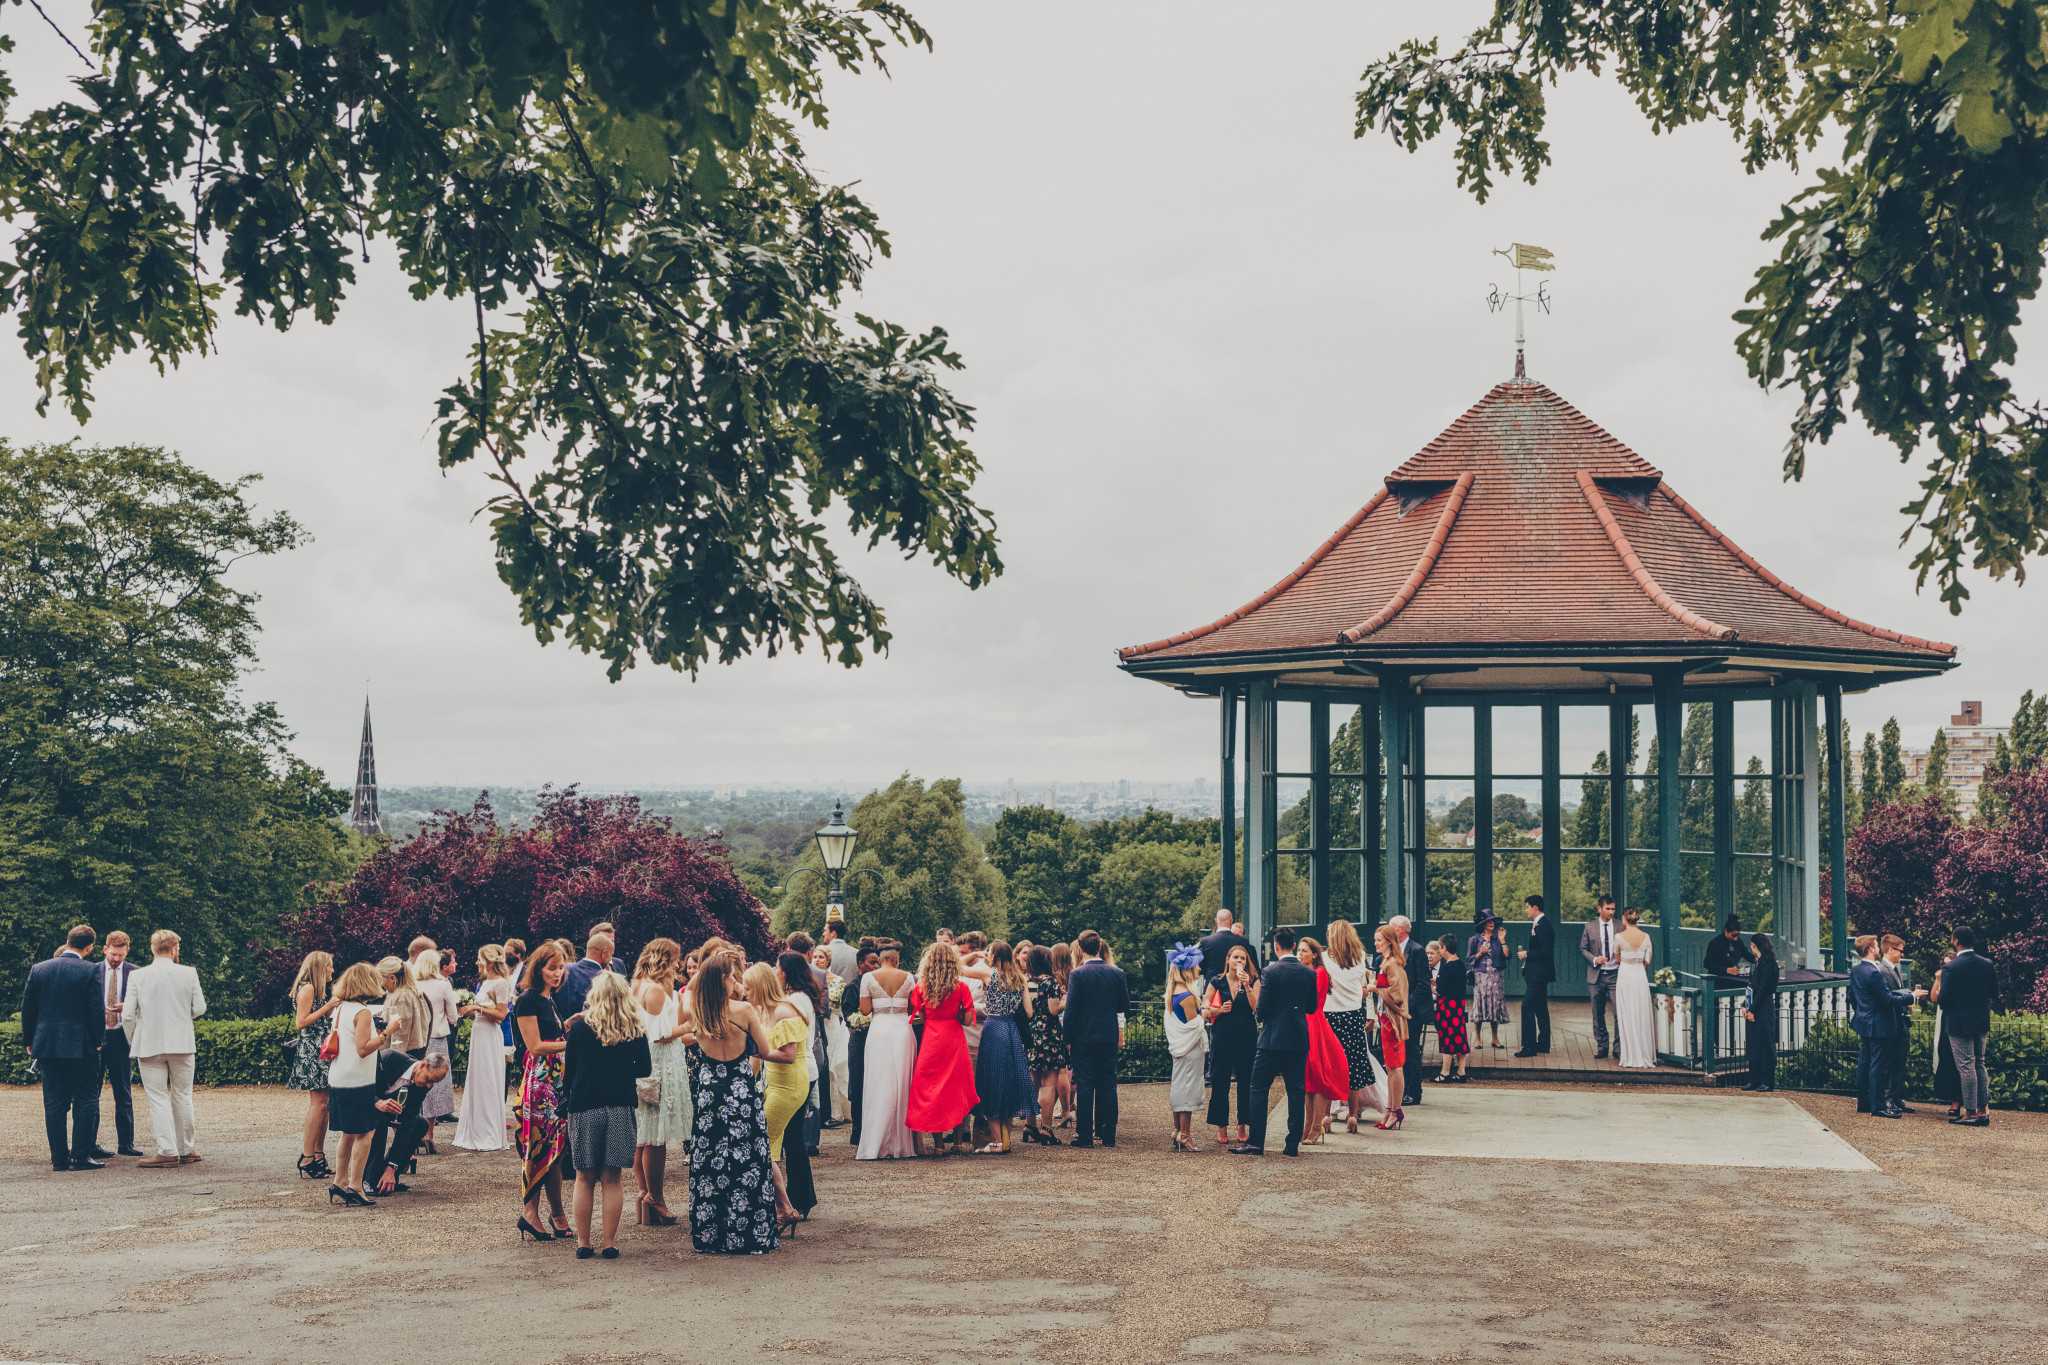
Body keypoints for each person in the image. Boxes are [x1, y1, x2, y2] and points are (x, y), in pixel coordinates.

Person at [687, 955, 795, 1254]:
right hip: (739, 1088)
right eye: (731, 977)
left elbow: (691, 993)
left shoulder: (699, 1012)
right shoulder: (744, 1010)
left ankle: (711, 1234)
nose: (736, 982)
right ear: (722, 981)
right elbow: (763, 1050)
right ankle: (747, 1231)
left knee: (710, 1157)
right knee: (747, 1156)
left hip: (709, 1089)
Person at [562, 972, 651, 1259]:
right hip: (619, 1106)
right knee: (612, 1177)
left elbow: (570, 1071)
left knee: (584, 1177)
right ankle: (609, 1243)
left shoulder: (579, 1029)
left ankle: (583, 1242)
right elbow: (644, 1069)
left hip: (585, 1105)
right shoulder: (633, 1028)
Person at [20, 924, 105, 1172]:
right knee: (86, 1099)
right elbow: (95, 1010)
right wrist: (98, 1040)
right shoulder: (90, 970)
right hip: (82, 1046)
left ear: (67, 940)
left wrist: (29, 1041)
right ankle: (80, 1157)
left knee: (54, 1103)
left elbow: (29, 1009)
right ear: (89, 947)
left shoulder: (39, 969)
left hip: (47, 1044)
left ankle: (58, 1158)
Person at [121, 930, 208, 1168]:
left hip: (149, 1043)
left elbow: (127, 1015)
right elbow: (200, 1008)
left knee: (157, 1097)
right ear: (175, 949)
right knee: (183, 1095)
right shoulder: (189, 973)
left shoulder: (138, 976)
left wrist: (133, 1039)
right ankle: (187, 1149)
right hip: (182, 1042)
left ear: (152, 948)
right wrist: (181, 1016)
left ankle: (167, 1150)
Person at [1234, 925, 1314, 1156]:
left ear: (1277, 946)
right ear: (1293, 945)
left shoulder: (1270, 971)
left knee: (1258, 1088)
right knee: (1296, 1091)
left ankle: (1256, 1141)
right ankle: (1291, 1144)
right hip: (1298, 1038)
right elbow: (1311, 1006)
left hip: (1271, 1039)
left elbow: (1261, 1010)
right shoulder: (1308, 973)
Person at [512, 941, 574, 1240]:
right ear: (538, 969)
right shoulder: (529, 1000)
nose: (558, 973)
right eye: (552, 968)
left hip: (555, 1081)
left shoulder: (549, 999)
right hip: (539, 1083)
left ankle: (549, 1212)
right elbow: (535, 1046)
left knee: (554, 1151)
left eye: (561, 967)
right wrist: (570, 1043)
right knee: (538, 1149)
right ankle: (533, 1212)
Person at [628, 937, 692, 1224]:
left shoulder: (642, 984)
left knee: (646, 1135)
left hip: (657, 1062)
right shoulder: (652, 989)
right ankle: (654, 1197)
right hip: (657, 1065)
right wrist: (691, 1025)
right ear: (664, 959)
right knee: (655, 1138)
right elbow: (660, 1033)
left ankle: (645, 1195)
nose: (678, 964)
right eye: (676, 958)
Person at [324, 962, 390, 1206]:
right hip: (358, 1079)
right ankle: (355, 1184)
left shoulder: (340, 1009)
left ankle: (339, 1182)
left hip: (339, 1076)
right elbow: (363, 1049)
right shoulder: (362, 1012)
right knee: (365, 1133)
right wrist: (385, 1034)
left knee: (348, 1134)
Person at [907, 940, 980, 1154]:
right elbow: (967, 1019)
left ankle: (938, 1144)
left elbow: (919, 1015)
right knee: (957, 1087)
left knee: (931, 1088)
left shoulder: (921, 988)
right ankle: (958, 1141)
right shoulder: (961, 987)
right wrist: (954, 1014)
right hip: (954, 1039)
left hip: (932, 1040)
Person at [1061, 929, 1129, 1149]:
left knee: (1085, 1084)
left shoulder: (1077, 975)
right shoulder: (1117, 973)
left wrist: (1067, 1038)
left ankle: (1085, 1135)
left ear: (1080, 949)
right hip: (1108, 1035)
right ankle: (1108, 1135)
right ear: (1100, 946)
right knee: (1108, 1083)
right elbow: (1123, 1005)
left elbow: (1070, 1011)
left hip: (1084, 1037)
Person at [974, 941, 1038, 1154]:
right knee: (1009, 1080)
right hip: (1011, 1030)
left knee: (991, 1080)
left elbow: (959, 966)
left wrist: (976, 953)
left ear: (994, 955)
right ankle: (1006, 1138)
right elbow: (1029, 1012)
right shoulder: (1020, 979)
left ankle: (998, 1141)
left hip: (993, 1029)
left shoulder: (988, 974)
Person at [1848, 935, 1922, 1118]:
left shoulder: (1856, 970)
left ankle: (1864, 1102)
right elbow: (1887, 1000)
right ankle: (1878, 1106)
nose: (1878, 948)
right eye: (1875, 945)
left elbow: (1852, 998)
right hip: (1878, 1024)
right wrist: (1912, 996)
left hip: (1864, 1021)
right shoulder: (1873, 972)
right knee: (1877, 1066)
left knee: (1865, 1063)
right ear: (1871, 949)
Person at [856, 940, 917, 1159]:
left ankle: (876, 1141)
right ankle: (901, 1142)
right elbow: (912, 1007)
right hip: (902, 1029)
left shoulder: (868, 978)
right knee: (902, 1082)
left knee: (878, 1082)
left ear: (881, 960)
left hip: (879, 1029)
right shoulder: (909, 977)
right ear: (895, 959)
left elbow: (864, 1010)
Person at [773, 951, 822, 1217]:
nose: (775, 972)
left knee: (792, 1138)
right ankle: (798, 1197)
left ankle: (799, 1198)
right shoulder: (801, 998)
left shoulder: (793, 1001)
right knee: (792, 1138)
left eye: (778, 968)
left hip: (799, 1070)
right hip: (805, 1068)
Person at [454, 944, 516, 1152]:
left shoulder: (500, 983)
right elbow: (485, 1012)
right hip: (479, 1033)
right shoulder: (485, 982)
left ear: (489, 961)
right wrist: (469, 1011)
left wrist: (476, 1007)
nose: (477, 962)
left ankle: (488, 1133)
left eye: (480, 959)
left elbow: (501, 1015)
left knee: (488, 1080)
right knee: (478, 1080)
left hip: (490, 1036)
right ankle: (475, 1130)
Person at [1936, 926, 1998, 1127]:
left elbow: (1943, 1001)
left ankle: (1970, 1111)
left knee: (1966, 1066)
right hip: (1980, 1021)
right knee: (1979, 1063)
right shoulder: (1987, 964)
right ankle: (1982, 1110)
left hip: (1959, 1022)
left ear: (1956, 941)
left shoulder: (1951, 968)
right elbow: (1994, 994)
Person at [286, 951, 339, 1178]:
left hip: (321, 1050)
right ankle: (308, 1156)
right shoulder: (307, 989)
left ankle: (318, 1154)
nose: (332, 971)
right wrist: (328, 1008)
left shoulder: (317, 991)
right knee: (318, 1103)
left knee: (324, 1104)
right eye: (329, 966)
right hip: (312, 1051)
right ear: (319, 968)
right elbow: (301, 1022)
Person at [1320, 921, 1376, 1133]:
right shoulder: (1360, 957)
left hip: (1330, 1016)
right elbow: (1363, 987)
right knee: (1353, 1067)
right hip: (1353, 1015)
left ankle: (1326, 1115)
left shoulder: (1324, 959)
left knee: (1330, 1066)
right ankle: (1353, 1114)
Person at [1205, 944, 1259, 1147]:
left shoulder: (1253, 980)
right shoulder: (1217, 981)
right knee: (1220, 1082)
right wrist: (1218, 1011)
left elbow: (1257, 1008)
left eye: (1243, 958)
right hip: (1223, 1037)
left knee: (1246, 1082)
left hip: (1246, 1037)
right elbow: (1204, 1009)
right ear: (1228, 959)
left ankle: (1243, 1126)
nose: (1239, 961)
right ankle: (1221, 1127)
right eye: (1235, 957)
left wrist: (1247, 986)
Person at [92, 931, 140, 1160]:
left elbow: (145, 1005)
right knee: (92, 1092)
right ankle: (90, 1143)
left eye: (120, 955)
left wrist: (128, 1007)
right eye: (113, 954)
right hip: (96, 1037)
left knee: (123, 1091)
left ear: (127, 951)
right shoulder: (92, 971)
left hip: (121, 1037)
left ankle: (126, 1144)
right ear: (105, 949)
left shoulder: (136, 973)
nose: (116, 959)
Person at [1297, 937, 1348, 1144]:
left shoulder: (1319, 973)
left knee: (1318, 1077)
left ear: (1315, 954)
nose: (1300, 954)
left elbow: (1309, 1000)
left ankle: (1316, 1126)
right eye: (1299, 951)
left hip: (1314, 1024)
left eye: (1305, 951)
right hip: (1304, 1023)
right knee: (1308, 1081)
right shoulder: (1305, 972)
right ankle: (1308, 1126)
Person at [1158, 945, 1208, 1153]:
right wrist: (1205, 1012)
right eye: (1196, 966)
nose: (1199, 969)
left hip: (1180, 1048)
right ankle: (1185, 1134)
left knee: (1179, 1086)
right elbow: (1194, 1024)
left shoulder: (1173, 992)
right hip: (1190, 1048)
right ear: (1188, 969)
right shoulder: (1187, 995)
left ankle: (1177, 1131)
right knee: (1188, 1089)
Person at [1019, 945, 1067, 1146]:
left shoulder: (1025, 982)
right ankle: (1046, 1128)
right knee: (1048, 1083)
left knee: (1033, 1082)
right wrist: (1066, 999)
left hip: (1030, 1036)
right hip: (1048, 1035)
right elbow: (1054, 1010)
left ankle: (1030, 1125)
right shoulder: (1051, 983)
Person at [413, 949, 460, 1141]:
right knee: (434, 1084)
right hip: (437, 1038)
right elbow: (453, 1016)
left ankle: (414, 1130)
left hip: (417, 1039)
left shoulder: (413, 984)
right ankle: (429, 1134)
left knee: (417, 1081)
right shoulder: (443, 985)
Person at [1369, 924, 1410, 1132]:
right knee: (1391, 1066)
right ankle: (1391, 1108)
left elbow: (1398, 996)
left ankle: (1395, 1110)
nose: (1376, 943)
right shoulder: (1386, 962)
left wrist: (1374, 987)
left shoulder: (1392, 964)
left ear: (1389, 941)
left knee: (1395, 1066)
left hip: (1392, 1021)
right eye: (1375, 940)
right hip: (1385, 1018)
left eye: (1379, 940)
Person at [1390, 915, 1431, 1104]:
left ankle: (1414, 1092)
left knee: (1411, 1050)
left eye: (1392, 928)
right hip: (1395, 1008)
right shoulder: (1391, 950)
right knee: (1398, 1051)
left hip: (1412, 1011)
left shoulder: (1417, 950)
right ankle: (1401, 1090)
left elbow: (1423, 984)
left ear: (1402, 930)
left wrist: (1406, 1006)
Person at [843, 940, 880, 1147]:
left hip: (878, 1041)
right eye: (872, 962)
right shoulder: (852, 987)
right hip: (859, 1041)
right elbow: (849, 1016)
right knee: (858, 1085)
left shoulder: (878, 985)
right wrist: (864, 1020)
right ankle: (857, 1131)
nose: (875, 966)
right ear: (860, 964)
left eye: (877, 963)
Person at [1614, 908, 1657, 1069]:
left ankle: (1629, 1055)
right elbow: (1647, 961)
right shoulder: (1646, 937)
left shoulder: (1618, 937)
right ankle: (1643, 1053)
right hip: (1639, 976)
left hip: (1625, 975)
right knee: (1641, 1013)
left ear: (1624, 920)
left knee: (1627, 1013)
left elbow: (1617, 958)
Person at [1581, 894, 1622, 1060]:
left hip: (1615, 975)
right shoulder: (1589, 927)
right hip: (1596, 976)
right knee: (1597, 1013)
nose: (1611, 912)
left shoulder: (1620, 926)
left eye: (1613, 909)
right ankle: (1602, 1046)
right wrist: (1594, 959)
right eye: (1608, 908)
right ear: (1599, 909)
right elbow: (1582, 948)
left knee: (1619, 1013)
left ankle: (1618, 1048)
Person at [1879, 935, 1916, 1114]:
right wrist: (1909, 998)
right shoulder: (1882, 970)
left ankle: (1896, 1097)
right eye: (1900, 950)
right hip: (1891, 1022)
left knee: (1900, 1061)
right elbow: (1888, 997)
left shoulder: (1894, 969)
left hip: (1900, 1021)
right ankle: (1888, 1099)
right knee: (1890, 1061)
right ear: (1890, 949)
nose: (1902, 954)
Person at [1514, 894, 1555, 1057]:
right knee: (1540, 1007)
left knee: (1527, 1006)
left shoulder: (1543, 925)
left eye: (1527, 907)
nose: (1526, 910)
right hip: (1537, 974)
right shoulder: (1539, 924)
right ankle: (1543, 1043)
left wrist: (1526, 954)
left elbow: (1545, 952)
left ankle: (1529, 1047)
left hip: (1539, 974)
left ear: (1535, 907)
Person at [815, 944, 851, 1124]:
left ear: (828, 960)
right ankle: (826, 1110)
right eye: (814, 957)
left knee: (836, 1065)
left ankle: (840, 1111)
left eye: (821, 957)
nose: (817, 960)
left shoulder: (837, 980)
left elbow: (836, 1001)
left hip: (833, 1024)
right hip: (818, 1024)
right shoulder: (810, 979)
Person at [1740, 933, 1780, 1092]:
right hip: (1754, 1005)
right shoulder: (1757, 963)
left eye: (1752, 946)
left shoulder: (1769, 963)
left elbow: (1764, 989)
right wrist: (1745, 1005)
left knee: (1765, 1043)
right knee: (1753, 1044)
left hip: (1763, 1007)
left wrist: (1752, 1009)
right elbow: (1752, 986)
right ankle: (1754, 1079)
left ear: (1756, 946)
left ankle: (1767, 1080)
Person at [1466, 913, 1509, 1048]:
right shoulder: (1474, 940)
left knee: (1494, 1005)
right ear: (1483, 924)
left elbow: (1507, 955)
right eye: (1488, 921)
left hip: (1496, 975)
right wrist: (1481, 952)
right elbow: (1469, 960)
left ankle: (1495, 1038)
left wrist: (1502, 940)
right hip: (1481, 975)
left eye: (1493, 921)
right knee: (1480, 1005)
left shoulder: (1497, 939)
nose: (1491, 923)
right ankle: (1477, 1038)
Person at [1432, 936, 1471, 1082]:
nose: (1439, 950)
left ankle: (1445, 1072)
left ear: (1444, 948)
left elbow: (1441, 990)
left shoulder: (1447, 966)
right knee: (1459, 1036)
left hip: (1447, 1007)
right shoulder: (1460, 964)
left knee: (1447, 1037)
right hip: (1458, 1006)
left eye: (1440, 947)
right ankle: (1461, 1071)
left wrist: (1432, 986)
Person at [558, 931, 618, 1019]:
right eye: (611, 955)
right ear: (604, 953)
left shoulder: (564, 969)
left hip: (561, 1028)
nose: (610, 959)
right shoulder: (605, 979)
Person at [1050, 941, 1077, 1129]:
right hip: (1072, 1025)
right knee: (1070, 1069)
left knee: (1057, 1071)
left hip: (1055, 1025)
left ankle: (1062, 1109)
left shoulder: (1052, 978)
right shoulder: (1074, 976)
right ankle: (1069, 1106)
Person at [1197, 908, 1254, 981]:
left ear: (1216, 921)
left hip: (1212, 987)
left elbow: (1199, 967)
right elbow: (1251, 967)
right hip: (1236, 987)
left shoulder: (1206, 942)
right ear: (1231, 921)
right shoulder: (1243, 942)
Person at [1703, 916, 1748, 983]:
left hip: (1733, 977)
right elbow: (1707, 964)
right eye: (1733, 935)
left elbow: (1746, 954)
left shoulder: (1738, 941)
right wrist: (1726, 970)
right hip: (1718, 978)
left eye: (1737, 934)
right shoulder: (1715, 943)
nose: (1736, 938)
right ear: (1726, 931)